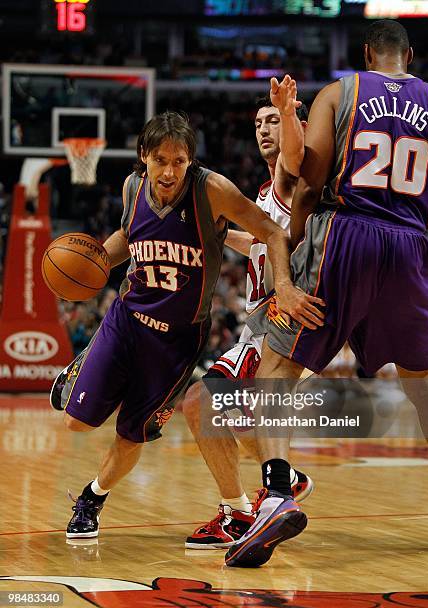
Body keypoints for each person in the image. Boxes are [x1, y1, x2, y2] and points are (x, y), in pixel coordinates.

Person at [225, 19, 428, 568]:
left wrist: (299, 239)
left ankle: (276, 493)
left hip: (347, 235)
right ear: (410, 56)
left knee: (275, 370)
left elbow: (307, 170)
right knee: (424, 383)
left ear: (368, 53)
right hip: (411, 243)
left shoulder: (342, 91)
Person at [49, 110, 322, 539]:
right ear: (144, 157)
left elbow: (270, 231)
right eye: (161, 160)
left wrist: (283, 284)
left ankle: (91, 499)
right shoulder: (131, 188)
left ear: (191, 161)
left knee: (133, 434)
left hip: (177, 341)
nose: (170, 170)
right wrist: (93, 265)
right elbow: (129, 236)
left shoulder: (212, 190)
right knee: (76, 423)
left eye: (180, 161)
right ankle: (85, 363)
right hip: (127, 320)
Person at [182, 76, 315, 550]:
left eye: (272, 122)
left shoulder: (290, 177)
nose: (263, 129)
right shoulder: (262, 194)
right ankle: (285, 480)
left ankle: (237, 513)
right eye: (258, 122)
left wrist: (291, 111)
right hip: (255, 329)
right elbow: (256, 240)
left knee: (201, 403)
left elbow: (294, 160)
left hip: (274, 326)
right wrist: (212, 237)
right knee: (235, 422)